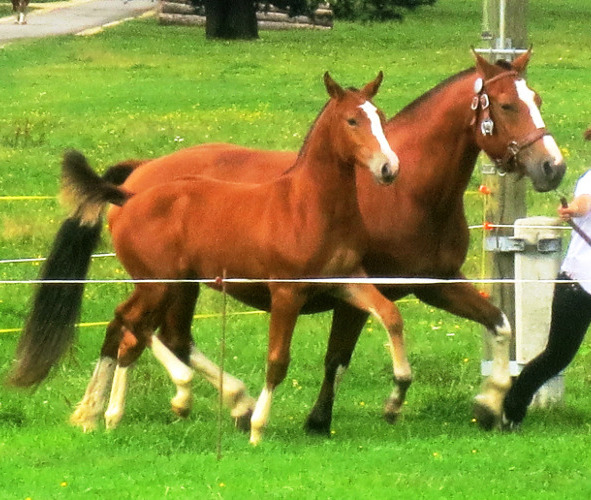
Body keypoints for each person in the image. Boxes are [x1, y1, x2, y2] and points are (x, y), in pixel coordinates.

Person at [503, 128, 591, 427]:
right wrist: (573, 210)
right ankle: (512, 407)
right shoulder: (590, 179)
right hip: (579, 285)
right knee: (557, 357)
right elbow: (583, 204)